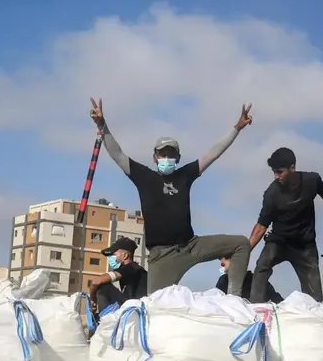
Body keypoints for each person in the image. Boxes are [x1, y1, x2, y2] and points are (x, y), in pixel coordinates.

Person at [89, 97, 253, 296]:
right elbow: (117, 154)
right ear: (155, 157)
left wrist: (237, 128)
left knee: (241, 244)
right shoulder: (144, 177)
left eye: (171, 154)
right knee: (155, 303)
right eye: (162, 154)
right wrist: (102, 125)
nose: (166, 158)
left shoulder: (185, 175)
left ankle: (234, 298)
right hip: (162, 255)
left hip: (191, 245)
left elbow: (212, 154)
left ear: (178, 158)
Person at [247, 147, 323, 302]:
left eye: (280, 172)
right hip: (279, 242)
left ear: (292, 168)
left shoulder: (312, 180)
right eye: (274, 172)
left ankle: (314, 310)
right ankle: (256, 305)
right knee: (262, 266)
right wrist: (245, 251)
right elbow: (261, 226)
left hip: (304, 245)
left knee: (315, 297)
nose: (276, 176)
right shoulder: (272, 194)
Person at [86, 236, 147, 313]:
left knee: (103, 287)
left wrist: (93, 300)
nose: (111, 258)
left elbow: (96, 282)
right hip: (132, 305)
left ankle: (105, 316)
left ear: (125, 256)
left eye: (114, 255)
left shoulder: (131, 268)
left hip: (135, 307)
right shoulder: (132, 269)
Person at [216, 255, 282, 303]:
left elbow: (278, 301)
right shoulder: (223, 280)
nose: (223, 268)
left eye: (223, 264)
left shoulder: (258, 280)